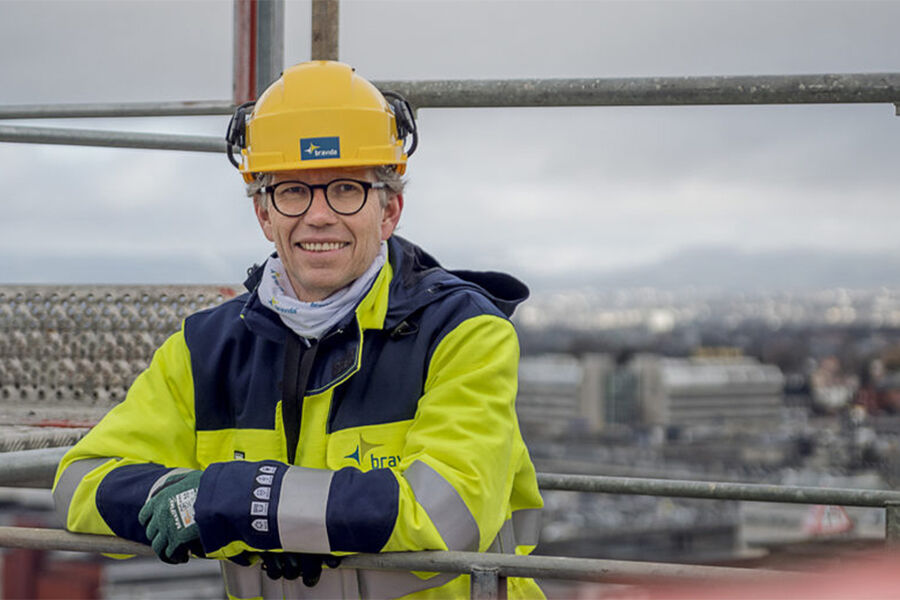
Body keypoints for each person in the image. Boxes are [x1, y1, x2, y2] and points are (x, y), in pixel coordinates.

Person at [52, 60, 544, 599]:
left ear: (389, 210)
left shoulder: (463, 334)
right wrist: (182, 494)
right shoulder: (205, 350)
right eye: (292, 191)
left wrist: (244, 502)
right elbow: (81, 482)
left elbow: (446, 513)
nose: (318, 216)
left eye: (346, 189)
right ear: (265, 215)